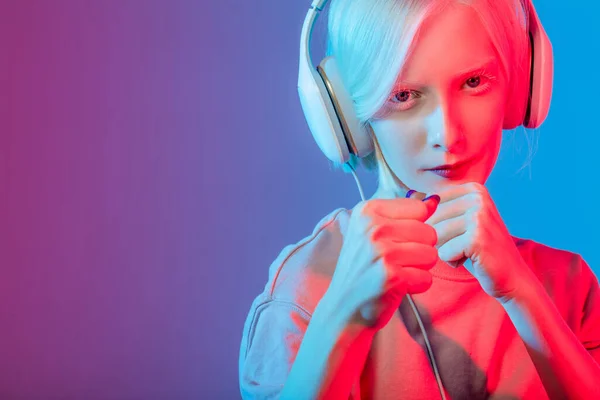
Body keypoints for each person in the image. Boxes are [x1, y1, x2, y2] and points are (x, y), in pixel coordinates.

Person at [239, 0, 600, 398]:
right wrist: (343, 314)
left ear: (521, 84)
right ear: (343, 112)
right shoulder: (307, 287)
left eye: (474, 82)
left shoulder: (568, 287)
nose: (447, 134)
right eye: (405, 95)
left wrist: (522, 294)